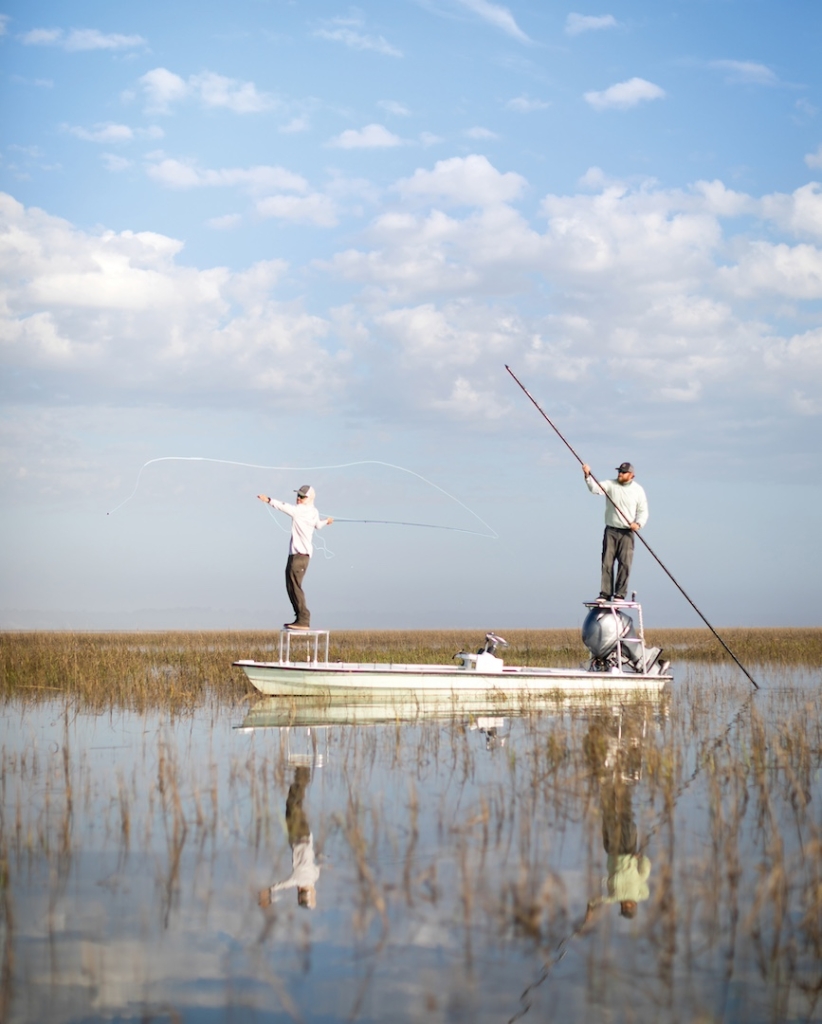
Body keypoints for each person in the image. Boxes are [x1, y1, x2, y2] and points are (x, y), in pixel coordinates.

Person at [256, 485, 333, 630]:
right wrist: (327, 521)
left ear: (309, 498)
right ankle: (299, 617)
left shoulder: (300, 510)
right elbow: (318, 525)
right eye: (298, 496)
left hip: (299, 556)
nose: (298, 498)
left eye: (302, 496)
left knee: (295, 587)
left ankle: (303, 618)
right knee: (291, 586)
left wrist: (268, 500)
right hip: (297, 556)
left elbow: (283, 507)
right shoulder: (314, 512)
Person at [582, 462, 648, 603]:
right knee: (607, 562)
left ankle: (620, 594)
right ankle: (605, 594)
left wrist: (638, 524)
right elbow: (595, 488)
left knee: (625, 564)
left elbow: (643, 511)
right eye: (619, 471)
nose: (620, 474)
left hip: (627, 532)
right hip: (611, 530)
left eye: (623, 472)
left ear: (631, 475)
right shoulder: (610, 484)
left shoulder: (638, 490)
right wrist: (587, 474)